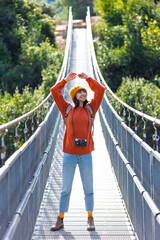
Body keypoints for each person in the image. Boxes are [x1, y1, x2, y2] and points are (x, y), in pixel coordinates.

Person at [50, 72, 105, 231]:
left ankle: (90, 218)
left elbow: (100, 90)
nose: (83, 93)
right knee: (65, 189)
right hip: (69, 155)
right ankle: (60, 219)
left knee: (89, 188)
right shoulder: (66, 108)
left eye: (85, 92)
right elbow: (54, 91)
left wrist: (88, 79)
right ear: (74, 95)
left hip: (86, 154)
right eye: (80, 91)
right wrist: (66, 80)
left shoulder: (91, 108)